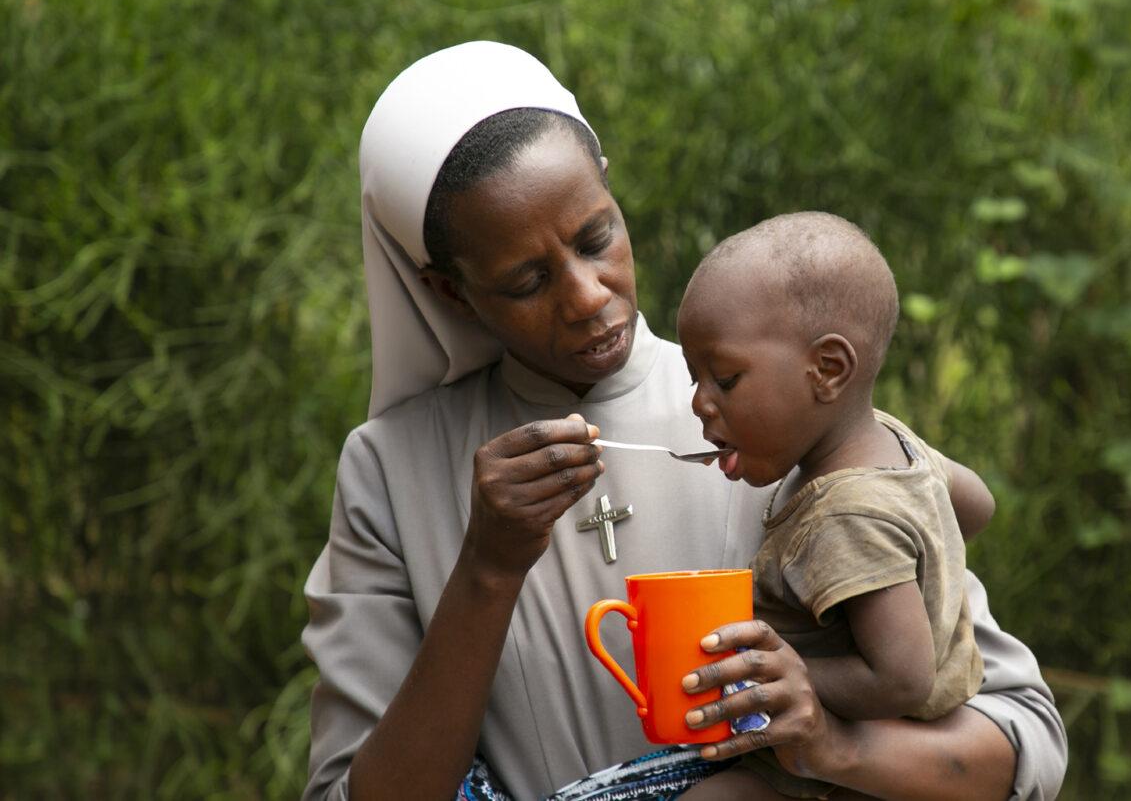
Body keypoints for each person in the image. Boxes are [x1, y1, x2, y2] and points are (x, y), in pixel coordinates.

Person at [301, 40, 1067, 801]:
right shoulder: (390, 473)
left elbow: (1022, 740)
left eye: (595, 239)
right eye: (527, 280)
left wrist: (832, 748)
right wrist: (488, 568)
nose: (588, 297)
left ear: (609, 191)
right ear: (450, 293)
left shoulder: (790, 416)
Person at [676, 212, 994, 799]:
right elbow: (977, 505)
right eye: (695, 379)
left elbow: (901, 680)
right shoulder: (896, 444)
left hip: (841, 770)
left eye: (725, 378)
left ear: (827, 370)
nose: (699, 404)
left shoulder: (844, 515)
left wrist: (768, 677)